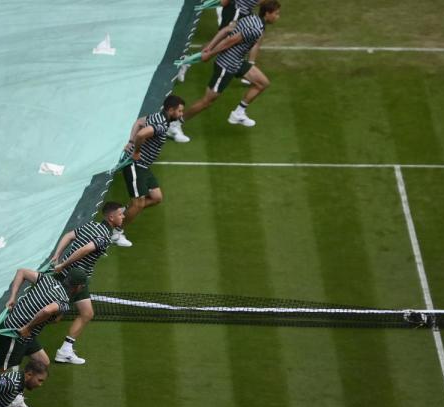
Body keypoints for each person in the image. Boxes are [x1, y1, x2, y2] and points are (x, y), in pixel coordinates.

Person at [169, 0, 281, 142]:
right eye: (276, 14)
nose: (278, 17)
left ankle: (238, 113)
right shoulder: (255, 28)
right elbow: (230, 40)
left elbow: (226, 30)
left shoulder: (250, 17)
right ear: (267, 14)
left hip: (237, 62)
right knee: (207, 101)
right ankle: (174, 125)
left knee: (262, 83)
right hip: (226, 65)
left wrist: (209, 49)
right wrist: (210, 53)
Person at [0, 266, 87, 407]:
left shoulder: (47, 280)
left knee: (43, 362)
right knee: (3, 371)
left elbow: (21, 271)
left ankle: (15, 397)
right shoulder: (62, 302)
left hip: (26, 334)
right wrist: (28, 327)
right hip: (15, 332)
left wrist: (12, 298)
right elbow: (47, 311)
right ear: (78, 286)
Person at [48, 201, 123, 364]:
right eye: (120, 214)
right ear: (111, 217)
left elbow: (69, 235)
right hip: (76, 278)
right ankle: (63, 351)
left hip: (67, 274)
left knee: (59, 311)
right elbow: (85, 250)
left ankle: (65, 349)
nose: (123, 216)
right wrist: (62, 264)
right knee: (83, 314)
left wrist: (57, 255)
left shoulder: (92, 225)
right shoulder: (104, 237)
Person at [110, 94, 185, 248]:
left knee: (156, 197)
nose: (181, 114)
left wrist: (130, 142)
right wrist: (135, 150)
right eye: (180, 111)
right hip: (135, 165)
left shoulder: (157, 116)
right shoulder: (161, 125)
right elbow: (141, 133)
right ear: (171, 110)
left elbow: (139, 122)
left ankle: (124, 212)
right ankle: (116, 233)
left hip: (143, 167)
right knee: (138, 204)